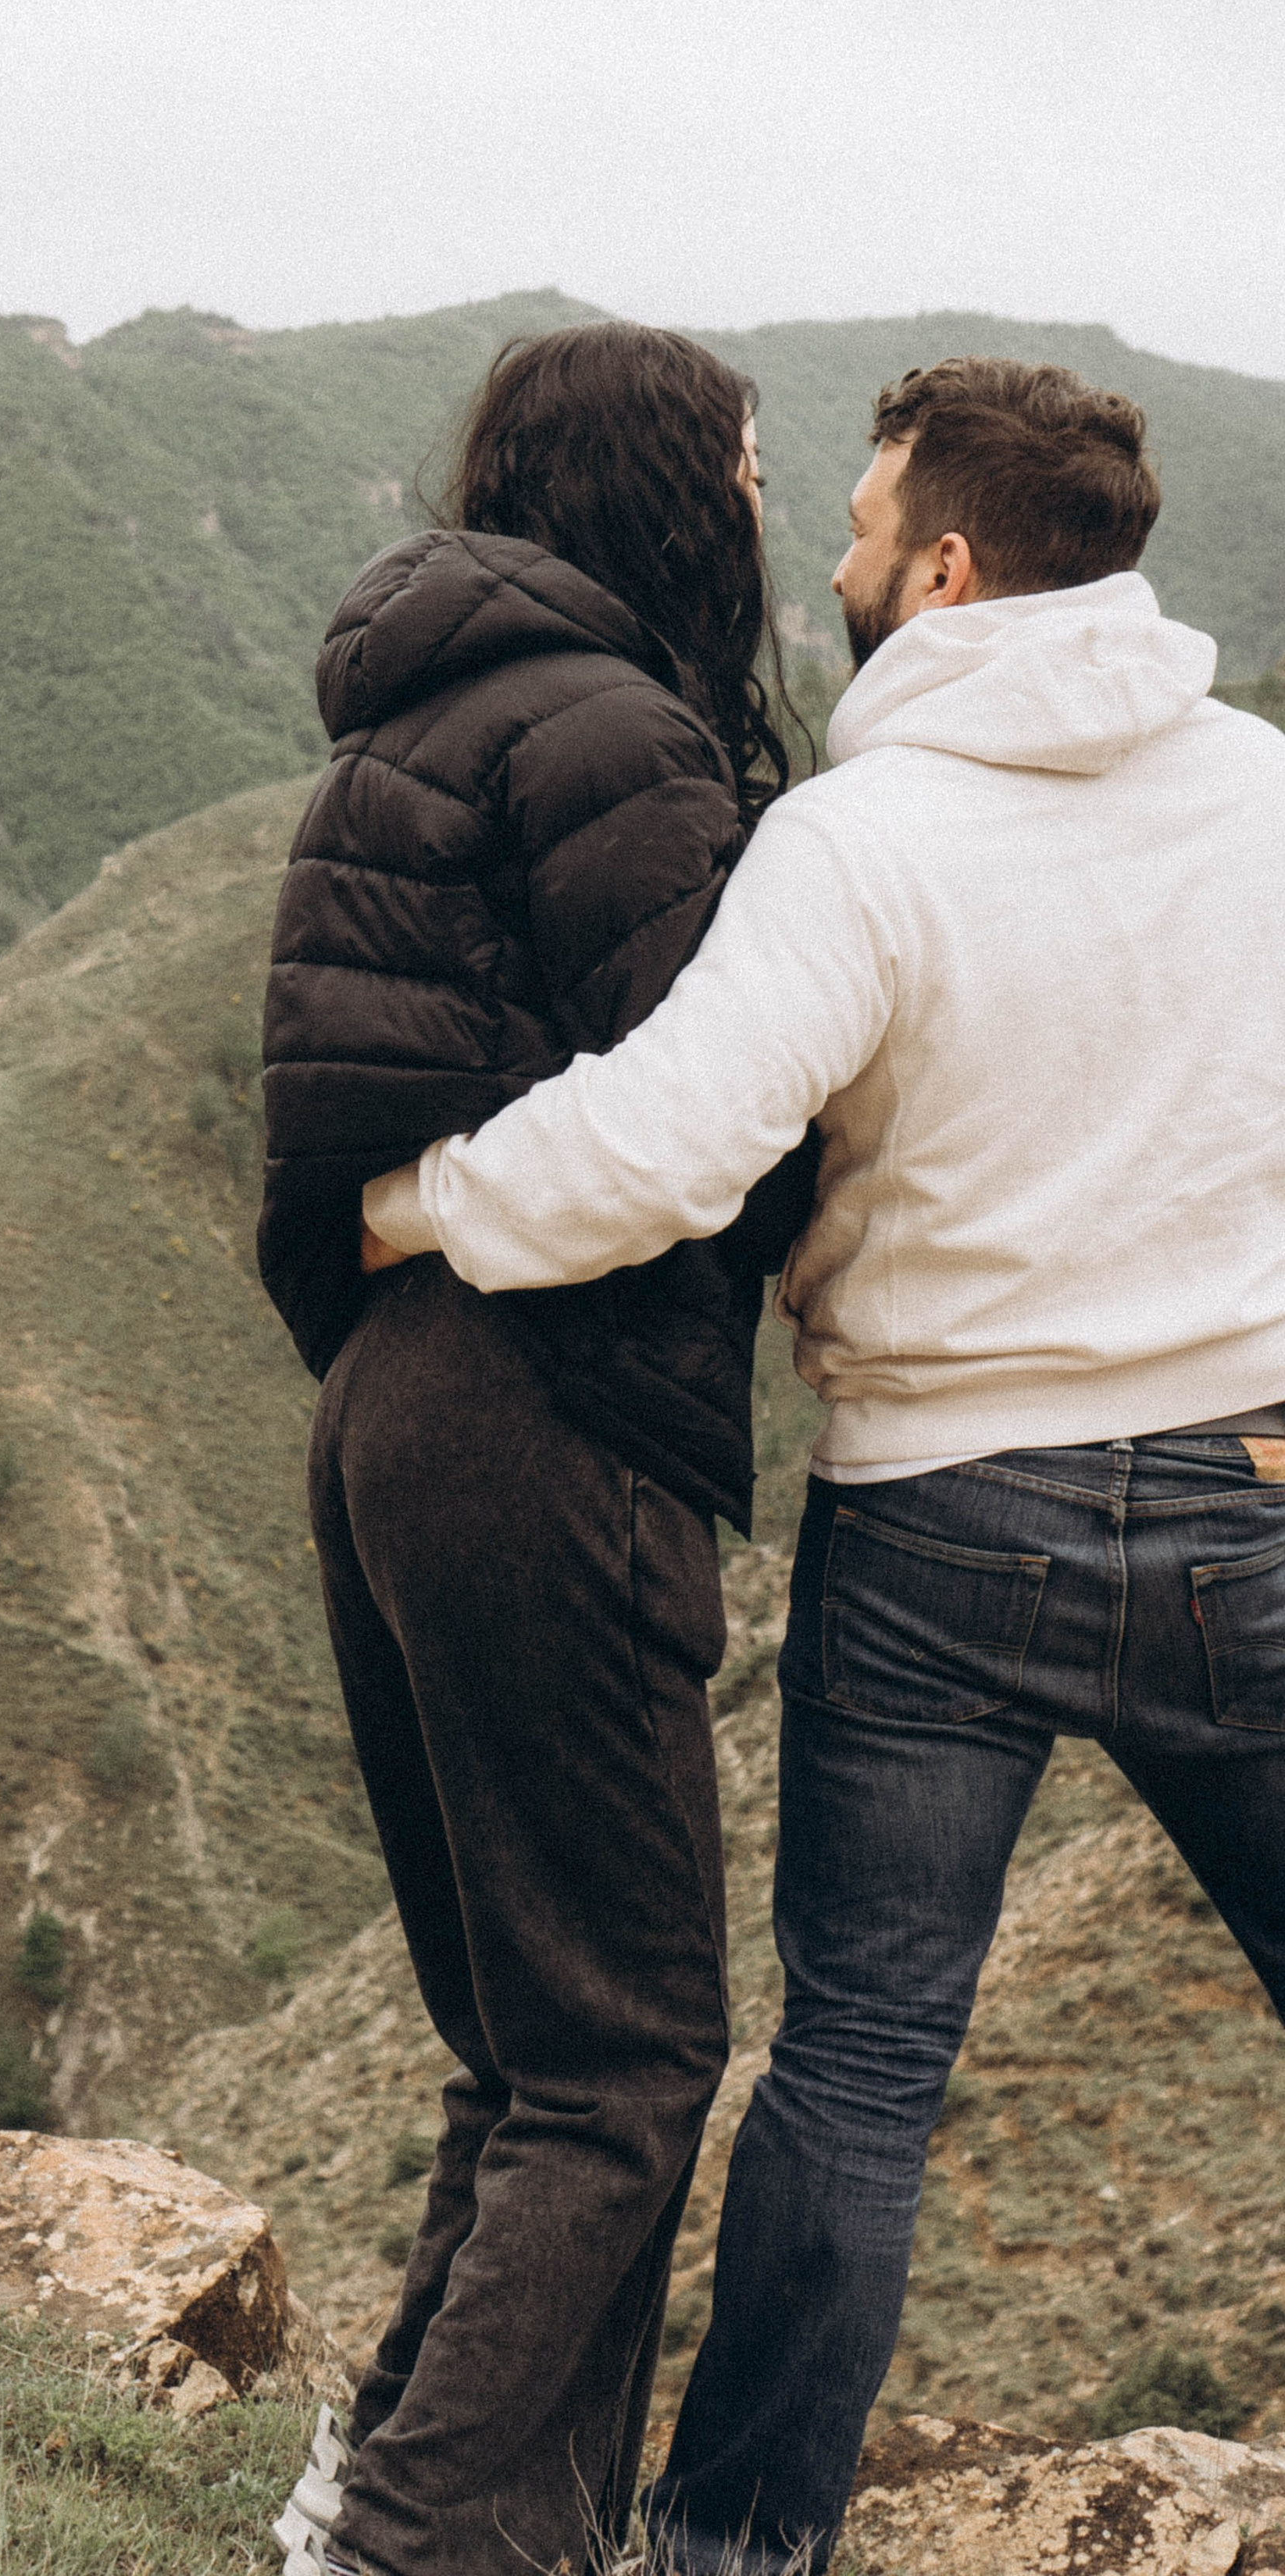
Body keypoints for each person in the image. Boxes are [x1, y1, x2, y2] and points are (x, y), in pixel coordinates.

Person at [360, 355, 1285, 2574]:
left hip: (950, 1513)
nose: (839, 565)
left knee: (860, 2072)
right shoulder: (1262, 787)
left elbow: (659, 1154)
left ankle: (732, 2549)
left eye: (865, 532)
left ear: (944, 572)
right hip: (1252, 1489)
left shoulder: (858, 842)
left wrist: (411, 1200)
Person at [259, 321, 815, 2576]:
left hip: (393, 1391)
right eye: (754, 462)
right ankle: (414, 2541)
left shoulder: (424, 719)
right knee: (626, 2060)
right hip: (550, 1408)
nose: (772, 503)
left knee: (532, 2048)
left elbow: (335, 1129)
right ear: (684, 491)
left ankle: (434, 2508)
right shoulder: (617, 737)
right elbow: (726, 1120)